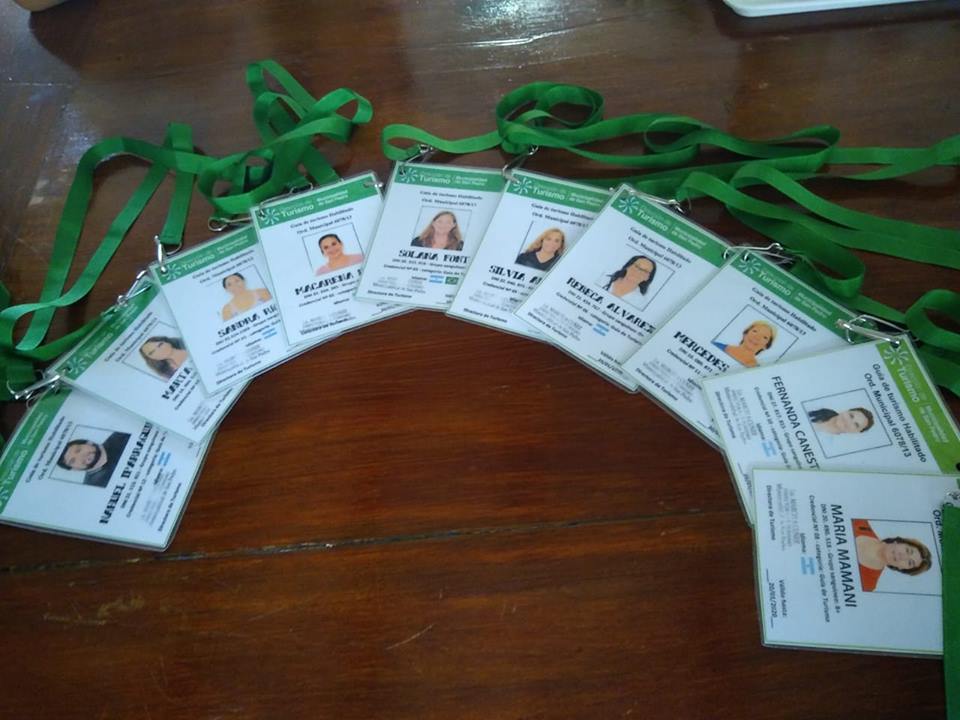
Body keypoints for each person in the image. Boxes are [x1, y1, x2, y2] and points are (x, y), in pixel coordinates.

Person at [852, 518, 932, 592]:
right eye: (908, 550)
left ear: (901, 568)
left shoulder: (868, 584)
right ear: (899, 542)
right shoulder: (859, 522)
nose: (902, 556)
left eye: (910, 562)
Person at [55, 433, 131, 488]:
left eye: (78, 450)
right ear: (74, 469)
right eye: (73, 461)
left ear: (89, 443)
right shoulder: (94, 486)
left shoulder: (121, 436)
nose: (81, 456)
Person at [712, 321, 776, 368]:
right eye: (755, 331)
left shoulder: (757, 371)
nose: (757, 337)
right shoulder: (715, 345)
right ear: (745, 333)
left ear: (766, 346)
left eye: (764, 337)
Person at [808, 407, 875, 434]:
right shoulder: (818, 411)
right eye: (851, 416)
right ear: (846, 411)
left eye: (856, 425)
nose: (849, 421)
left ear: (856, 431)